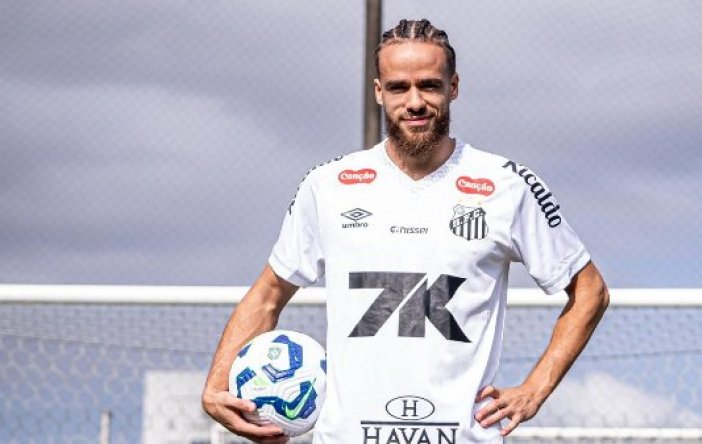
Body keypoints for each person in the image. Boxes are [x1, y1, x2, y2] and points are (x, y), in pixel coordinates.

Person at [202, 18, 609, 444]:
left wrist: (534, 390)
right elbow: (269, 295)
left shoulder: (507, 185)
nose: (414, 102)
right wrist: (215, 385)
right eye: (399, 88)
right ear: (379, 92)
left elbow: (590, 292)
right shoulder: (328, 186)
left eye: (429, 86)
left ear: (453, 87)